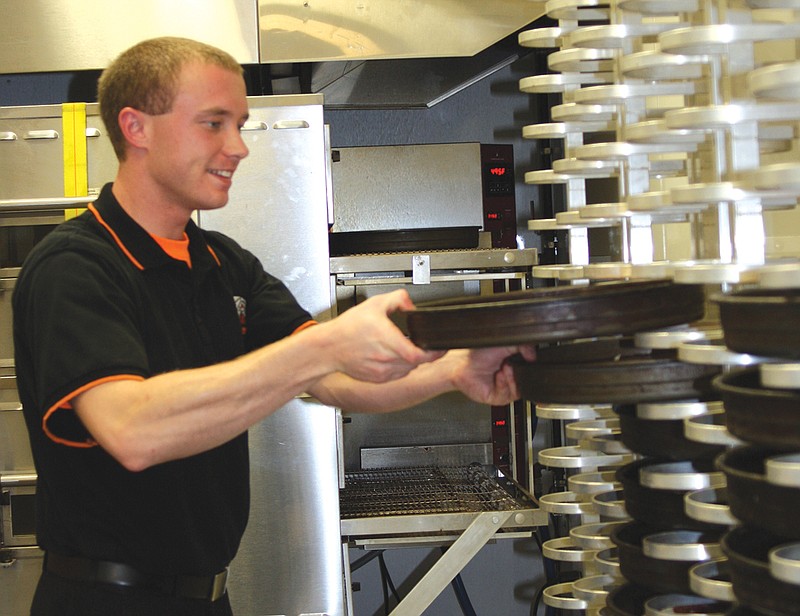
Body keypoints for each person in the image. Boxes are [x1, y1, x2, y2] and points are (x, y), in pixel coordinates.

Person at [12, 36, 535, 616]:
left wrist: (458, 369)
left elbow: (336, 380)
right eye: (213, 124)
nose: (238, 147)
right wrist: (326, 347)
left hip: (209, 597)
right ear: (136, 128)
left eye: (239, 124)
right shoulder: (75, 267)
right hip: (102, 601)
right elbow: (133, 432)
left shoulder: (222, 263)